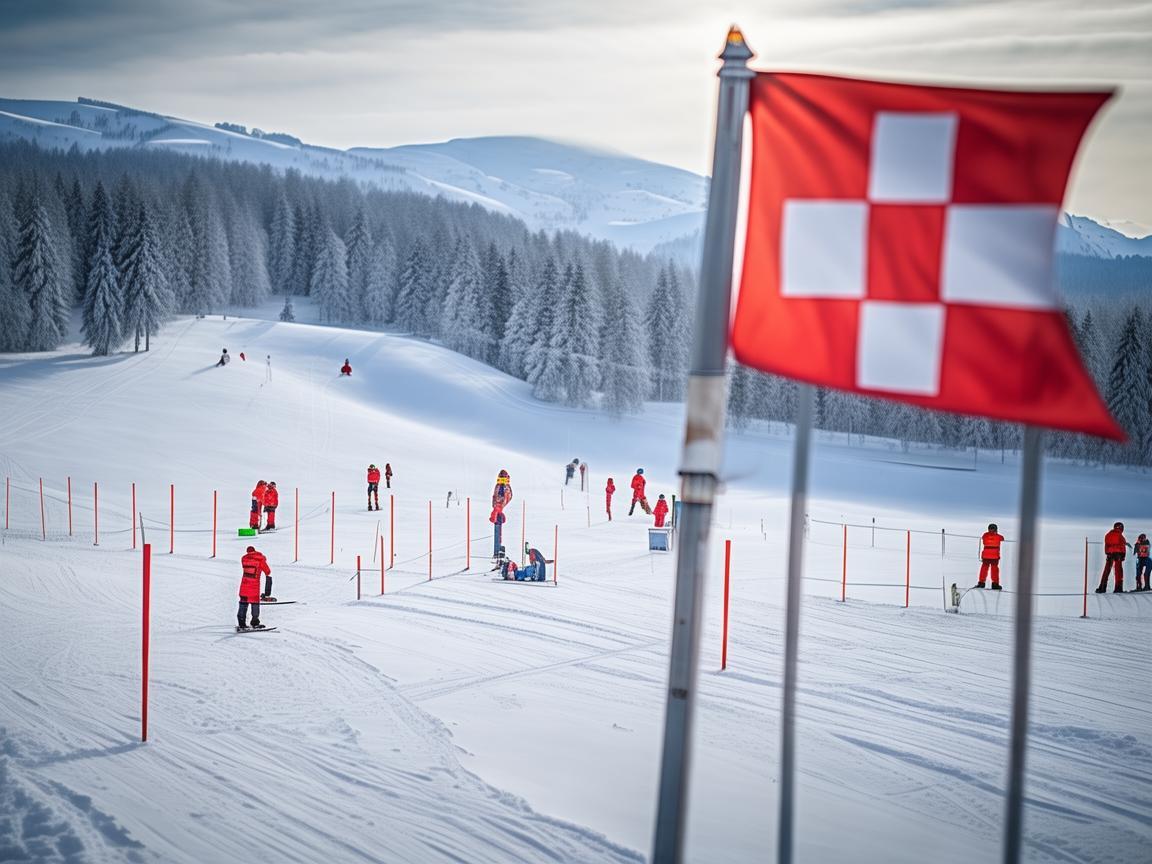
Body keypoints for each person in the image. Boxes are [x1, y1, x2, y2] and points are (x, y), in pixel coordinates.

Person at [238, 545, 270, 630]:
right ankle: (255, 622)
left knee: (243, 603)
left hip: (244, 585)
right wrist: (263, 559)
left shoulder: (244, 559)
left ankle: (241, 623)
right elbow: (268, 571)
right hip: (254, 586)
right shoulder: (260, 559)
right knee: (255, 603)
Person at [1096, 521, 1130, 593]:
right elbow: (1122, 546)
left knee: (1106, 571)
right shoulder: (1120, 536)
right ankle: (1118, 588)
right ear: (1120, 528)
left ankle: (1102, 587)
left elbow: (1106, 545)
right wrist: (1123, 556)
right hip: (1118, 555)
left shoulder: (1108, 535)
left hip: (1109, 554)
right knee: (1118, 572)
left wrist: (1107, 553)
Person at [976, 522, 1004, 590]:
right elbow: (1002, 538)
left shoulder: (985, 535)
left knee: (984, 570)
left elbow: (983, 538)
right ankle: (995, 584)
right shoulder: (998, 537)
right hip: (995, 557)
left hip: (986, 556)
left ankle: (981, 583)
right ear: (996, 529)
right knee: (994, 570)